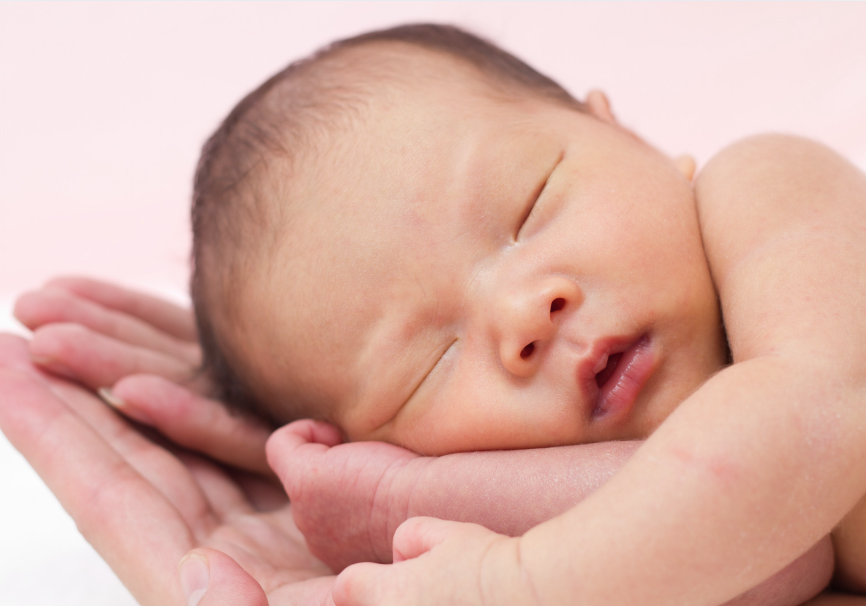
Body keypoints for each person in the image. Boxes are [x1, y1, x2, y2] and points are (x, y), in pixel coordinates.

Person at [4, 22, 866, 606]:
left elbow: (805, 427)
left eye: (529, 208)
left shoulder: (769, 190)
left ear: (628, 136)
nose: (523, 313)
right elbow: (770, 555)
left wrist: (516, 582)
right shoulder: (670, 530)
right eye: (433, 362)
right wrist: (425, 508)